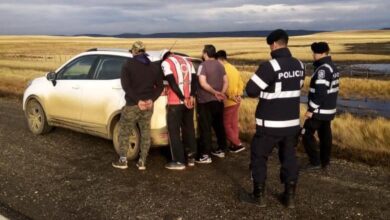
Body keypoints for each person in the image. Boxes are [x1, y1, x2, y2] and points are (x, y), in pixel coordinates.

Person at [240, 29, 305, 208]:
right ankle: (289, 197)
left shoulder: (270, 66)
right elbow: (297, 86)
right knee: (289, 158)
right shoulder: (300, 65)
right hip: (292, 124)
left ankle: (259, 196)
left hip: (269, 125)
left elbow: (251, 90)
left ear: (274, 44)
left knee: (259, 157)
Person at [112, 41, 164, 171]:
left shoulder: (127, 65)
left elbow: (126, 86)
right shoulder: (153, 67)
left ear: (134, 51)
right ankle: (142, 162)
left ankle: (123, 160)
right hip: (148, 106)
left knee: (124, 131)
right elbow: (160, 86)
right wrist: (152, 99)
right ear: (144, 51)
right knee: (145, 132)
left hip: (132, 105)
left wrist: (137, 101)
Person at [302, 42, 339, 171]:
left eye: (315, 52)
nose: (313, 55)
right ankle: (325, 161)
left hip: (319, 111)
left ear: (323, 53)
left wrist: (311, 110)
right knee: (325, 135)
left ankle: (315, 162)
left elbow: (320, 92)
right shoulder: (332, 67)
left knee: (306, 133)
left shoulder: (323, 69)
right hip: (329, 110)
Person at [161, 50, 198, 170]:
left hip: (175, 101)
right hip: (190, 101)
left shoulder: (166, 63)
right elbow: (194, 80)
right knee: (189, 129)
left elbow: (171, 82)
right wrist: (191, 96)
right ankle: (191, 157)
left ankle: (178, 161)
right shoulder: (188, 61)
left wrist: (182, 97)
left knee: (174, 131)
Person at [196, 45, 228, 163]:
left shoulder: (202, 66)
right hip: (218, 101)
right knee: (219, 126)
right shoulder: (220, 65)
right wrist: (221, 93)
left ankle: (205, 155)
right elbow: (226, 81)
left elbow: (203, 83)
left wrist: (214, 93)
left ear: (205, 53)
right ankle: (221, 149)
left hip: (205, 101)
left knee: (205, 128)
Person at [215, 50, 245, 153]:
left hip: (228, 101)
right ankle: (234, 145)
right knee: (233, 124)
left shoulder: (223, 69)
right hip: (236, 100)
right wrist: (239, 94)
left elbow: (227, 86)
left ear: (219, 59)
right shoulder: (233, 68)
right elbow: (241, 83)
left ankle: (237, 144)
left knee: (225, 125)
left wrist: (232, 96)